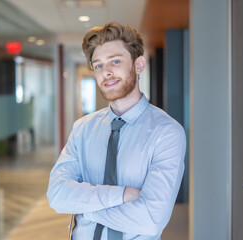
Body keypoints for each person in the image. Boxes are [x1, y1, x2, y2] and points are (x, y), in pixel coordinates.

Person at [47, 22, 186, 239]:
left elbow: (150, 220)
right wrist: (123, 194)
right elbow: (57, 195)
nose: (107, 73)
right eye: (99, 65)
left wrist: (86, 209)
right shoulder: (83, 129)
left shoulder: (166, 133)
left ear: (139, 65)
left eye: (115, 61)